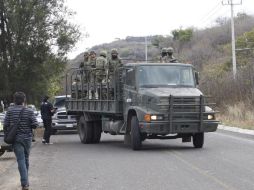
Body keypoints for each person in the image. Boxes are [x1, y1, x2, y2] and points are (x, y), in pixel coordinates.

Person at [4, 92, 38, 190]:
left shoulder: (10, 111)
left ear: (14, 100)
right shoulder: (29, 111)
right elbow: (35, 124)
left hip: (16, 139)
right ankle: (25, 181)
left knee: (21, 160)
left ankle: (25, 183)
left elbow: (5, 125)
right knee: (26, 159)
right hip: (27, 138)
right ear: (24, 100)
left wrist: (10, 131)